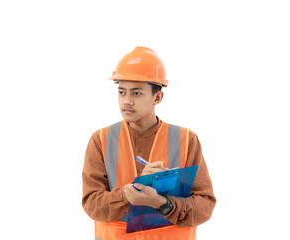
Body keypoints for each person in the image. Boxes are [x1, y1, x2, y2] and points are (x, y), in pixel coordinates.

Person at [82, 46, 216, 240]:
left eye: (136, 93)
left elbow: (205, 205)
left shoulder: (186, 140)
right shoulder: (101, 140)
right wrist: (129, 193)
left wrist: (162, 203)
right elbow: (92, 205)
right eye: (121, 92)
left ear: (157, 97)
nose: (126, 101)